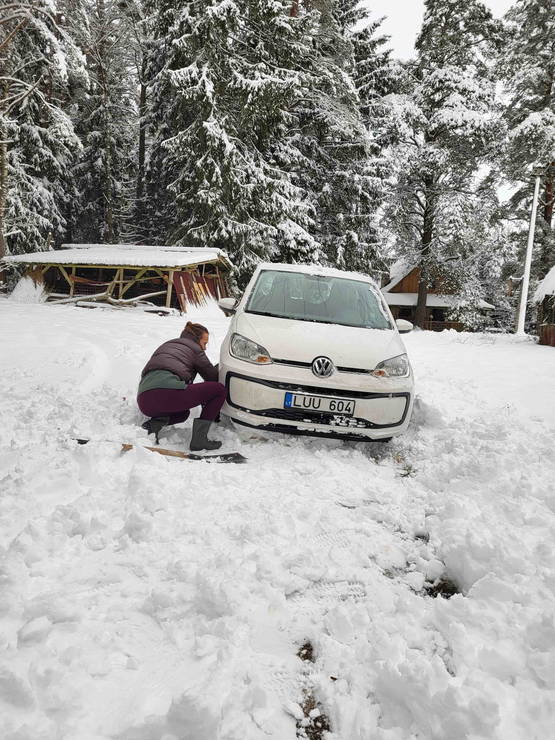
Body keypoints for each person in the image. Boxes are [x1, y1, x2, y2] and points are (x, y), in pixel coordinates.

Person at [137, 322, 226, 451]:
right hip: (166, 393)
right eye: (204, 343)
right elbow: (212, 377)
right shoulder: (195, 349)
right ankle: (199, 440)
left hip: (145, 400)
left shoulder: (168, 344)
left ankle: (152, 426)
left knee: (182, 413)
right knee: (219, 390)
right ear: (196, 339)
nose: (205, 348)